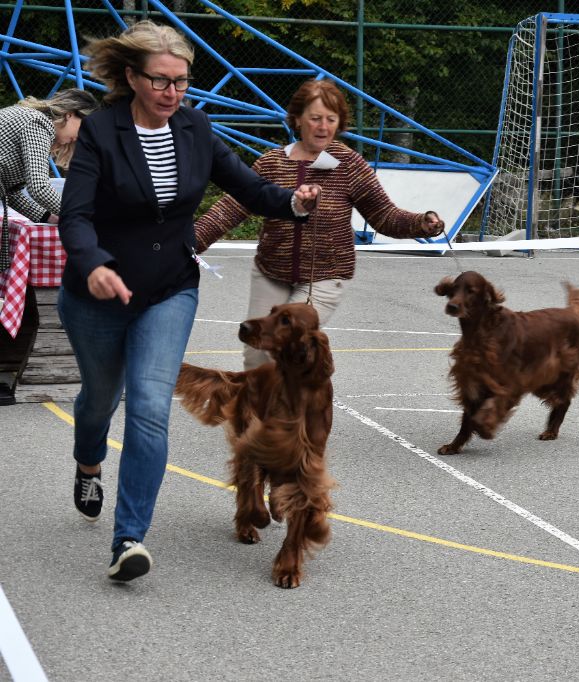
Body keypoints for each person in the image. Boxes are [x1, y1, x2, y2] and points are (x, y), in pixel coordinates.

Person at [57, 21, 320, 582]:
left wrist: (293, 203)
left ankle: (128, 539)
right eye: (160, 80)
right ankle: (88, 464)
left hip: (169, 289)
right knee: (99, 401)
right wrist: (94, 263)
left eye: (181, 81)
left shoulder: (195, 127)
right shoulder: (101, 131)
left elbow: (247, 187)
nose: (172, 92)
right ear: (133, 77)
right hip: (98, 293)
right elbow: (74, 215)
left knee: (150, 408)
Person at [194, 78, 445, 369]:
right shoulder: (272, 163)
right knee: (257, 352)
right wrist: (187, 242)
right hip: (271, 272)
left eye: (331, 119)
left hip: (325, 277)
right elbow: (229, 209)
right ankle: (265, 400)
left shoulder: (350, 165)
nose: (323, 127)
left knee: (284, 346)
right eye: (315, 118)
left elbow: (385, 216)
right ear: (298, 119)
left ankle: (298, 398)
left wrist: (421, 223)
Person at [0, 89, 99, 274]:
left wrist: (48, 217)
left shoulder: (34, 122)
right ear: (70, 114)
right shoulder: (39, 123)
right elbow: (39, 187)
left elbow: (11, 192)